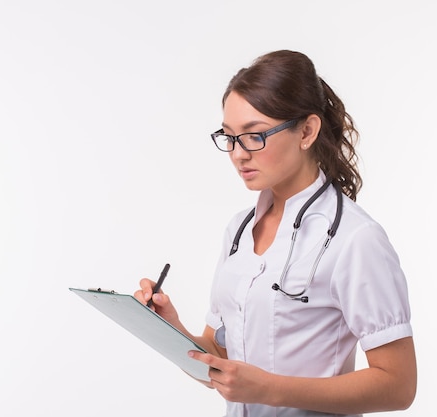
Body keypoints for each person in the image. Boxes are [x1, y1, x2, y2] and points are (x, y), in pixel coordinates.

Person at [135, 50, 416, 417]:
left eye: (254, 136)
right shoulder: (238, 230)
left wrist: (270, 389)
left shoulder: (354, 238)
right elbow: (221, 361)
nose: (238, 154)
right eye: (230, 137)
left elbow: (398, 385)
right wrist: (170, 329)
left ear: (307, 131)